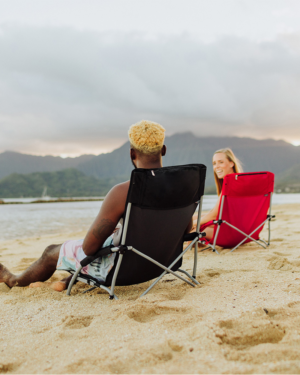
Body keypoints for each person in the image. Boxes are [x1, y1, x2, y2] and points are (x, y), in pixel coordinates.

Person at [0, 121, 193, 292]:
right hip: (163, 263)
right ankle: (68, 281)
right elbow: (185, 229)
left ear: (132, 153)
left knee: (51, 251)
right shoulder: (183, 187)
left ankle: (13, 280)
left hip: (122, 271)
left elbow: (89, 248)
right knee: (115, 235)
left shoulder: (122, 192)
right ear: (164, 150)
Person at [192, 148, 243, 240]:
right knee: (192, 219)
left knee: (192, 230)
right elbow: (214, 212)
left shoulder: (230, 185)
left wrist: (194, 223)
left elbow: (214, 215)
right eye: (214, 163)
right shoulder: (237, 182)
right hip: (242, 231)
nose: (217, 166)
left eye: (221, 162)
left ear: (232, 163)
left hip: (231, 234)